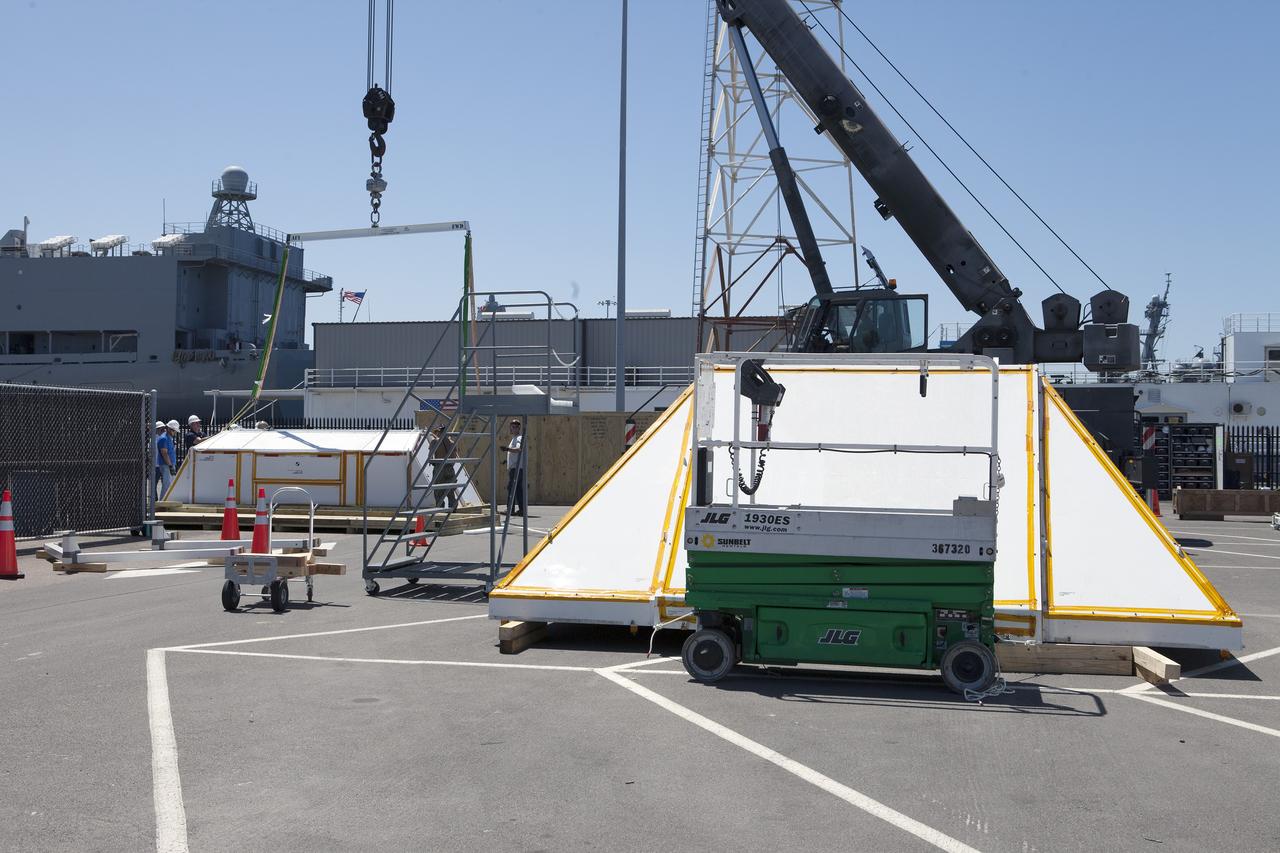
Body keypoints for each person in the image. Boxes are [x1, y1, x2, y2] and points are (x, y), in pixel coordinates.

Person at [429, 427, 459, 510]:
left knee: (438, 491)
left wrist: (434, 463)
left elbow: (430, 457)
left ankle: (440, 509)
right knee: (450, 491)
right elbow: (454, 457)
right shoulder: (452, 443)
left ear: (439, 432)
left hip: (439, 468)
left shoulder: (434, 442)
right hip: (449, 468)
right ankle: (453, 508)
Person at [502, 418, 526, 517]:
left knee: (511, 488)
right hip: (517, 468)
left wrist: (507, 449)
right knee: (518, 490)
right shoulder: (515, 438)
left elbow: (519, 449)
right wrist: (507, 460)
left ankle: (510, 509)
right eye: (511, 426)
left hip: (516, 469)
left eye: (515, 427)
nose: (512, 428)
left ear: (518, 428)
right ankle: (521, 510)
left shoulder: (519, 438)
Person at [153, 421, 175, 500]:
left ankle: (162, 500)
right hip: (156, 465)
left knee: (166, 483)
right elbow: (164, 453)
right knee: (154, 484)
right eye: (160, 429)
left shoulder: (166, 438)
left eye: (163, 428)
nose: (162, 430)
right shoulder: (157, 439)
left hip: (161, 464)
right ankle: (156, 500)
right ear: (156, 430)